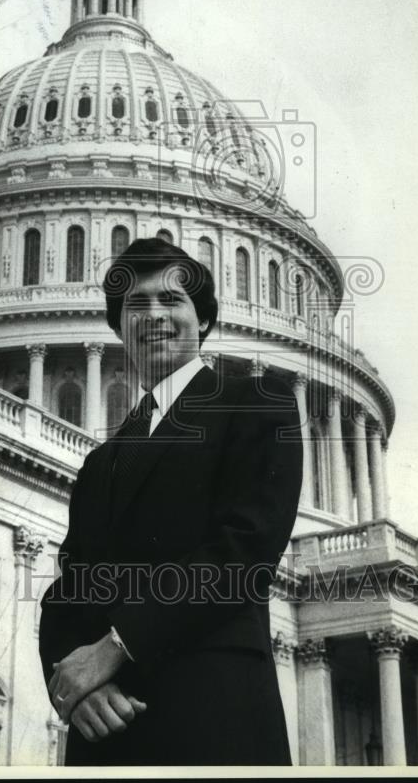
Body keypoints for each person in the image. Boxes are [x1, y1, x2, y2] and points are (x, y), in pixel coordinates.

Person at [38, 237, 303, 766]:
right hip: (106, 735)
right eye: (136, 305)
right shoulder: (99, 464)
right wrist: (75, 689)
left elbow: (241, 557)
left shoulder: (257, 403)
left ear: (202, 320)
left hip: (210, 717)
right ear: (119, 330)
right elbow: (67, 592)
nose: (154, 315)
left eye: (170, 300)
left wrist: (113, 649)